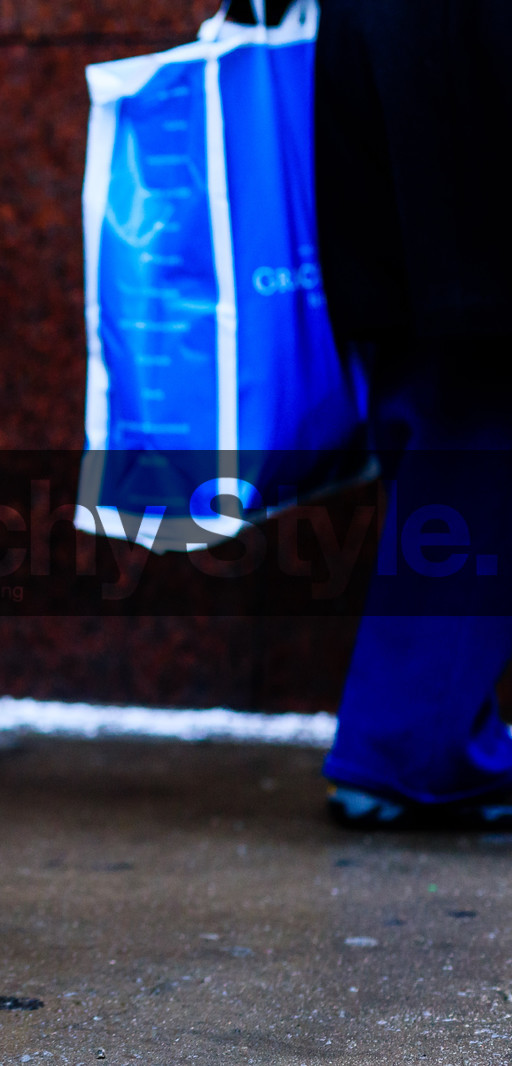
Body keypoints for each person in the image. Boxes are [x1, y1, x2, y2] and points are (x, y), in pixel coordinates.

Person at [313, 0, 512, 828]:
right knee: (472, 426)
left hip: (385, 54)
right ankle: (411, 750)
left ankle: (406, 742)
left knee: (440, 413)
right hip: (462, 70)